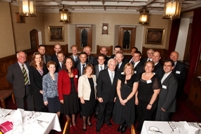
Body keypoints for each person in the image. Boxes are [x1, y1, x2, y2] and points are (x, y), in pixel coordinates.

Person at [135, 61, 161, 131]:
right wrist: (136, 98)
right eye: (147, 66)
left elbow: (156, 93)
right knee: (140, 116)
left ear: (153, 68)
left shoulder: (155, 78)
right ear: (144, 67)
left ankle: (143, 130)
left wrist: (150, 104)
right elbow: (136, 88)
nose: (148, 68)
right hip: (140, 100)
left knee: (146, 118)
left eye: (150, 66)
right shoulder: (140, 75)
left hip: (149, 101)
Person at [113, 63, 139, 133]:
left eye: (129, 68)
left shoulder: (135, 77)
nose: (128, 70)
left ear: (132, 69)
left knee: (127, 111)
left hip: (129, 98)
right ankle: (121, 124)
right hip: (120, 96)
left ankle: (125, 124)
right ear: (124, 69)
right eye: (126, 68)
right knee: (121, 111)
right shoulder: (121, 76)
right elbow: (118, 88)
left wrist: (126, 100)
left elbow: (134, 91)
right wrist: (120, 98)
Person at [96, 59, 118, 132]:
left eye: (114, 65)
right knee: (101, 111)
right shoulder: (102, 73)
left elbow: (118, 87)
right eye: (111, 64)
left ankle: (107, 121)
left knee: (109, 110)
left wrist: (116, 96)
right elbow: (99, 86)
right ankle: (99, 125)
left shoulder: (118, 73)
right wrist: (99, 96)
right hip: (103, 96)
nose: (113, 66)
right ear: (108, 65)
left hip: (112, 97)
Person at [58, 57, 79, 127]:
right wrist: (61, 98)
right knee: (67, 110)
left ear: (72, 63)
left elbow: (77, 82)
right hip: (66, 95)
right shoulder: (61, 72)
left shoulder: (76, 71)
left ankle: (73, 120)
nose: (69, 63)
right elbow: (59, 86)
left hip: (74, 94)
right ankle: (69, 121)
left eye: (71, 62)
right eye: (68, 62)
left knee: (73, 108)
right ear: (65, 63)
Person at [78, 64, 97, 131]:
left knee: (91, 111)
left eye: (91, 69)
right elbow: (80, 88)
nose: (89, 70)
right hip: (85, 98)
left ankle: (88, 120)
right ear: (85, 70)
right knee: (85, 112)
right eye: (88, 69)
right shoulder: (82, 78)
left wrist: (96, 95)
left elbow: (95, 87)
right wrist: (81, 98)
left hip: (92, 98)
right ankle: (84, 123)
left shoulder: (94, 76)